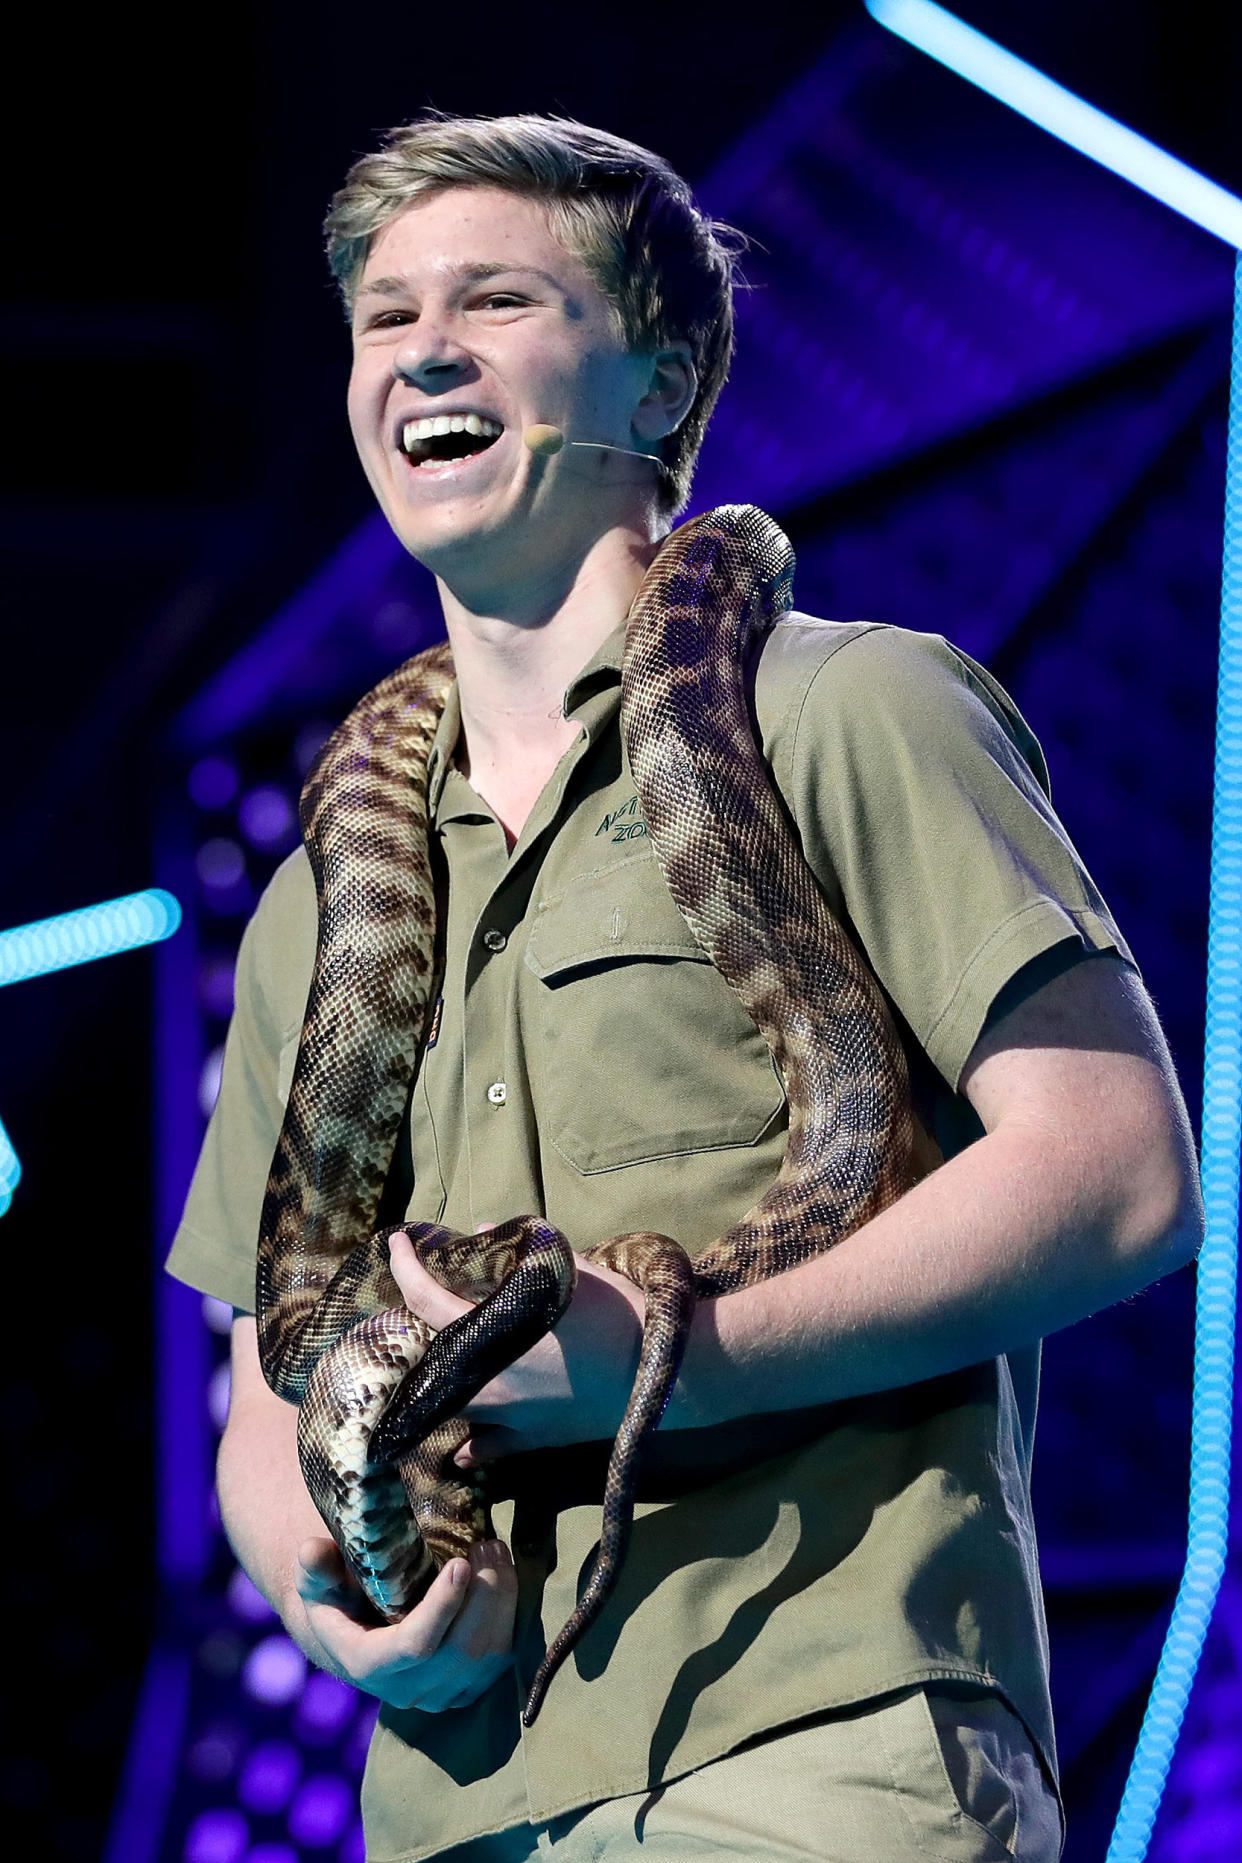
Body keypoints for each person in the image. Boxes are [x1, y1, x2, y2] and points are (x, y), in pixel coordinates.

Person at [166, 112, 1203, 1862]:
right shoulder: (314, 893)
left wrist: (684, 1362)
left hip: (816, 1745)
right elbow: (273, 1373)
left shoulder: (846, 710)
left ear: (659, 387)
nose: (423, 346)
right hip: (454, 1800)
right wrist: (336, 1594)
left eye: (495, 300)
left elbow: (1115, 1172)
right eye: (383, 314)